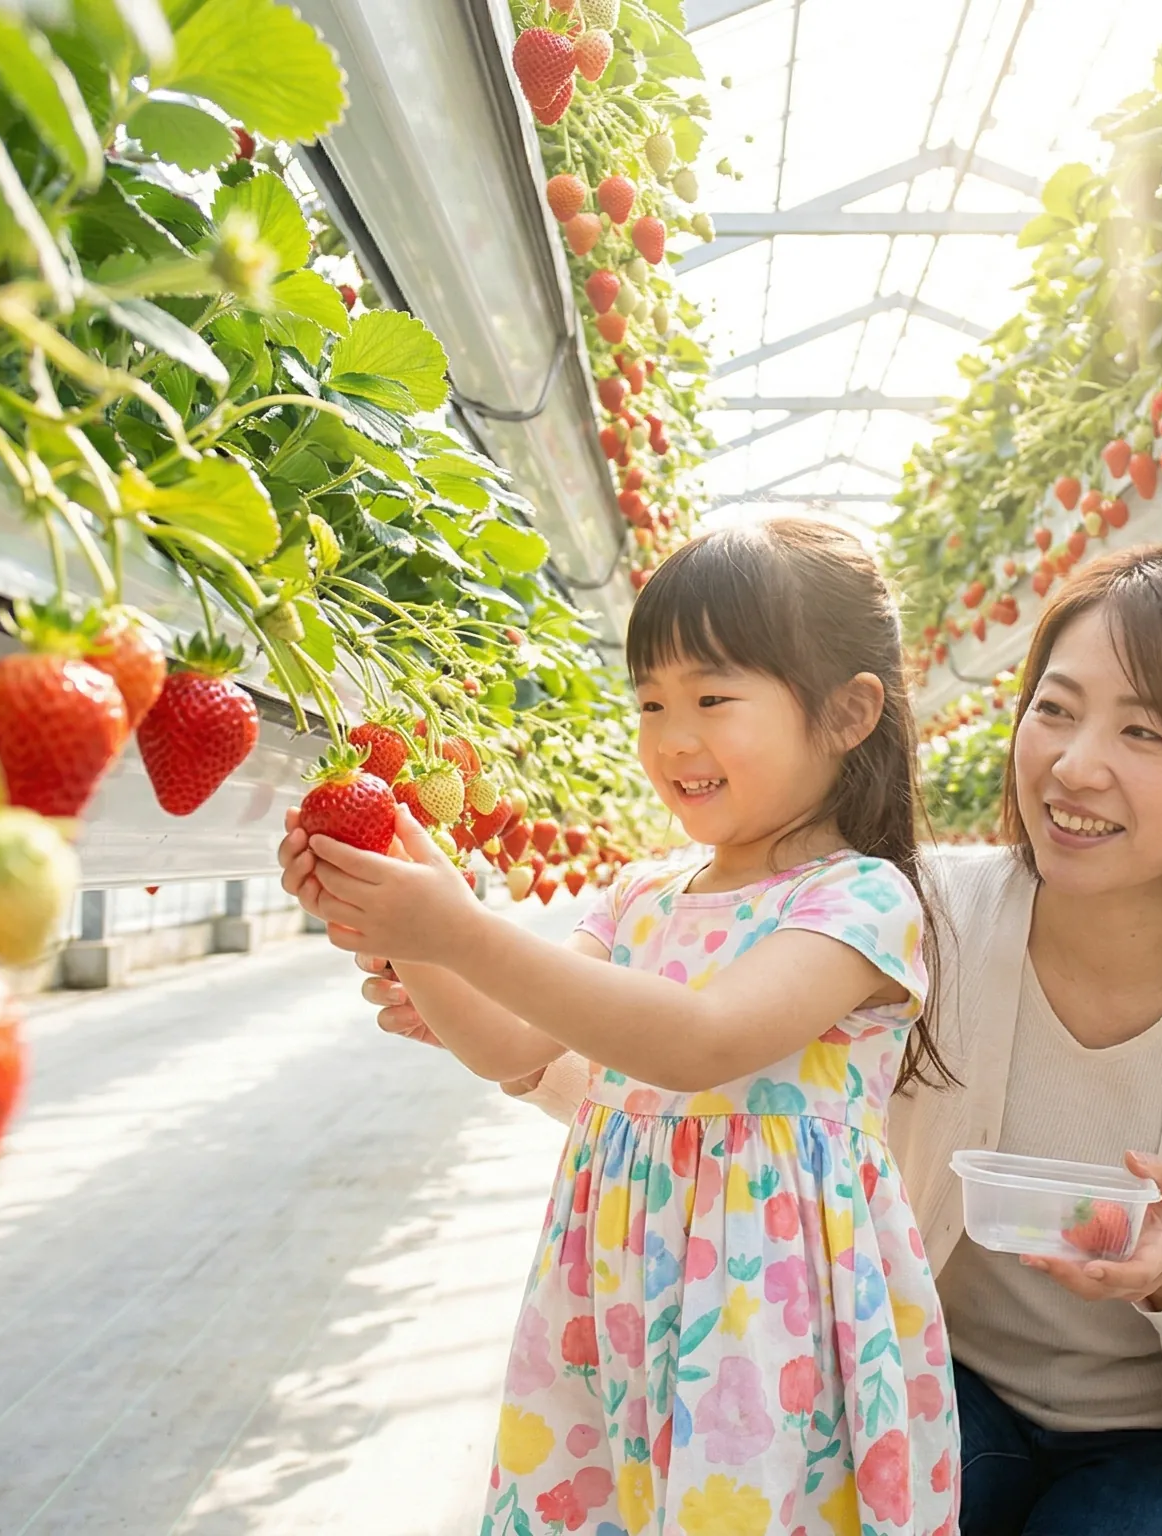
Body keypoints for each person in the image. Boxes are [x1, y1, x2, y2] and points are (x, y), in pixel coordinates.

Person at [370, 543, 1162, 1536]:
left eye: (1142, 730)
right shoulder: (932, 910)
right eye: (1055, 710)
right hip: (937, 1375)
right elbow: (728, 1095)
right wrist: (470, 986)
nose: (1073, 764)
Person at [282, 518, 958, 1535]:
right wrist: (398, 916)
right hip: (613, 1301)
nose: (672, 738)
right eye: (650, 703)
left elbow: (699, 1043)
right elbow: (512, 1046)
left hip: (763, 1324)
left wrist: (456, 930)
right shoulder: (641, 896)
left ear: (847, 712)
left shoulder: (858, 902)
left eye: (711, 699)